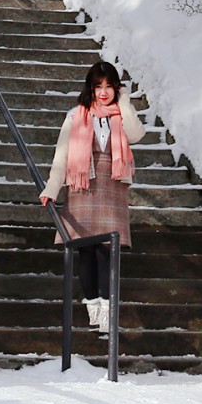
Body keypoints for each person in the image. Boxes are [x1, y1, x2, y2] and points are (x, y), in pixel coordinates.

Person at [40, 61, 146, 330]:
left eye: (109, 86)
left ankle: (108, 317)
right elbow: (62, 155)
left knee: (107, 253)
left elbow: (136, 135)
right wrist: (52, 187)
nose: (103, 91)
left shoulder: (121, 114)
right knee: (86, 253)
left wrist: (124, 102)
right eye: (98, 86)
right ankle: (95, 314)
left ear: (117, 88)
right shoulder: (76, 115)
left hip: (112, 187)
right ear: (90, 87)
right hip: (81, 186)